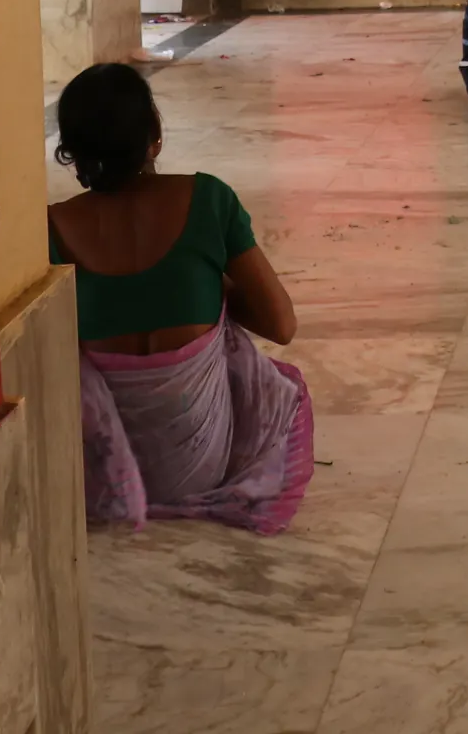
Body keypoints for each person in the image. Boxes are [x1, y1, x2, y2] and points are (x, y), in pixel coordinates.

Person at [47, 63, 312, 534]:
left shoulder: (50, 227)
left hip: (100, 471)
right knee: (280, 380)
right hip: (203, 466)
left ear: (71, 149)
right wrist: (209, 290)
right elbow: (282, 325)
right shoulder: (208, 199)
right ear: (154, 134)